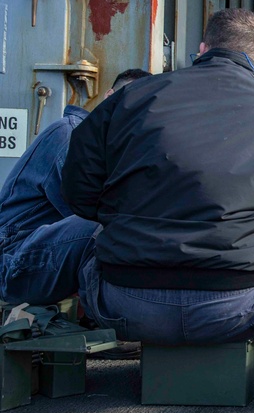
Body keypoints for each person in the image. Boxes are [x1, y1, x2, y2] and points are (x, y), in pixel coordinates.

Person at [61, 8, 254, 345]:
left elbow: (78, 195)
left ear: (202, 50)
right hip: (242, 309)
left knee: (82, 236)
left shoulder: (128, 99)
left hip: (127, 306)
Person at [0, 69, 151, 306]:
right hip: (13, 262)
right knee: (106, 223)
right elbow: (89, 209)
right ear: (109, 96)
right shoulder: (70, 134)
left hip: (44, 258)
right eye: (128, 102)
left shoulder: (112, 148)